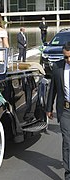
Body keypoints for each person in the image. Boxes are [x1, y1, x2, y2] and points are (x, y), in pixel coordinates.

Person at [46, 41, 70, 180]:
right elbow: (53, 89)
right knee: (67, 141)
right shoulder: (57, 66)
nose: (68, 60)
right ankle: (68, 174)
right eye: (66, 57)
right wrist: (49, 108)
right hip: (65, 110)